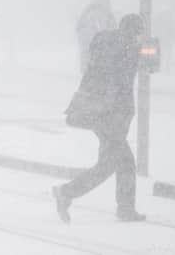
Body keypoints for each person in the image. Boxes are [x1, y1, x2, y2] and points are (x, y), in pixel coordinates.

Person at [53, 14, 146, 223]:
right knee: (120, 163)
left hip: (100, 115)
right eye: (139, 33)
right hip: (110, 116)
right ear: (134, 32)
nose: (140, 38)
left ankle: (121, 207)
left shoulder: (109, 44)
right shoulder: (126, 49)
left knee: (114, 163)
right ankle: (67, 193)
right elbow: (119, 85)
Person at [76, 0, 117, 74]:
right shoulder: (98, 13)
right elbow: (103, 29)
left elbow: (79, 28)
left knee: (89, 72)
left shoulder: (89, 11)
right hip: (96, 47)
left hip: (90, 46)